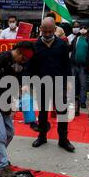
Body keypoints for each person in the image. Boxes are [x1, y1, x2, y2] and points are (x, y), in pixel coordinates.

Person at [0, 41, 36, 177]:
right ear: (19, 52)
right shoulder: (1, 58)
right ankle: (3, 167)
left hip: (4, 101)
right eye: (23, 59)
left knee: (10, 132)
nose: (23, 62)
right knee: (2, 134)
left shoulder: (15, 64)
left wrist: (13, 104)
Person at [27, 17, 75, 152]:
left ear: (55, 30)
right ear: (40, 30)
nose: (47, 34)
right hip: (41, 84)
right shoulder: (35, 45)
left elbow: (67, 65)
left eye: (50, 31)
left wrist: (69, 82)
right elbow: (30, 66)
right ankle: (42, 136)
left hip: (59, 84)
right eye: (45, 31)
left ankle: (63, 140)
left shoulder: (61, 45)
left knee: (62, 112)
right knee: (42, 112)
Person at [70, 23, 89, 111]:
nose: (82, 29)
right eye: (81, 28)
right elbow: (70, 48)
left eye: (85, 28)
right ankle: (73, 100)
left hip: (84, 66)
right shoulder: (76, 38)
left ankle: (82, 101)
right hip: (74, 64)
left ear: (88, 29)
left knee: (83, 84)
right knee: (74, 83)